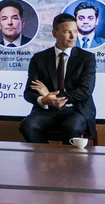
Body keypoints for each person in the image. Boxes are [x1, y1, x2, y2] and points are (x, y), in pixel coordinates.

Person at [20, 13, 96, 143]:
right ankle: (44, 155)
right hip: (46, 111)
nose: (73, 37)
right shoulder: (39, 59)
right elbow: (29, 93)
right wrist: (44, 100)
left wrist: (51, 96)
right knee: (28, 126)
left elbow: (85, 91)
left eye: (75, 31)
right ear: (54, 33)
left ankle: (67, 158)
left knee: (72, 127)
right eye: (67, 32)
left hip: (76, 110)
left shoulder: (86, 58)